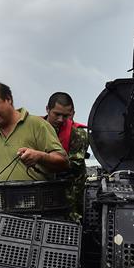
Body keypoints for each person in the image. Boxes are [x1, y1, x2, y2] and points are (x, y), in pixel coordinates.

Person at [0, 82, 67, 197]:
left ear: (8, 99)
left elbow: (63, 162)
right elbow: (1, 171)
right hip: (7, 209)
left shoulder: (37, 124)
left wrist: (39, 156)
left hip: (38, 206)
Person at [44, 92, 89, 220]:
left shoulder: (79, 134)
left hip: (69, 194)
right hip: (41, 189)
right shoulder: (35, 128)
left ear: (72, 114)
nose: (60, 120)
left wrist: (41, 158)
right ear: (47, 109)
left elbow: (73, 165)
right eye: (56, 114)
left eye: (65, 116)